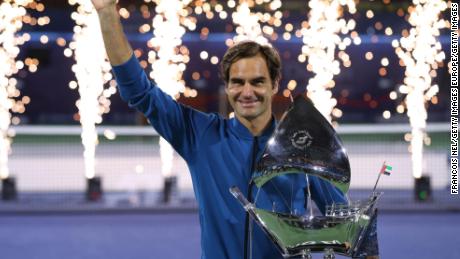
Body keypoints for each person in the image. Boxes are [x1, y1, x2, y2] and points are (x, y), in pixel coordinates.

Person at [91, 1, 378, 258]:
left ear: (274, 84)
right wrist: (106, 12)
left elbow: (350, 229)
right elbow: (139, 92)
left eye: (257, 81)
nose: (247, 91)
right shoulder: (199, 135)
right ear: (227, 87)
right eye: (237, 82)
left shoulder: (302, 144)